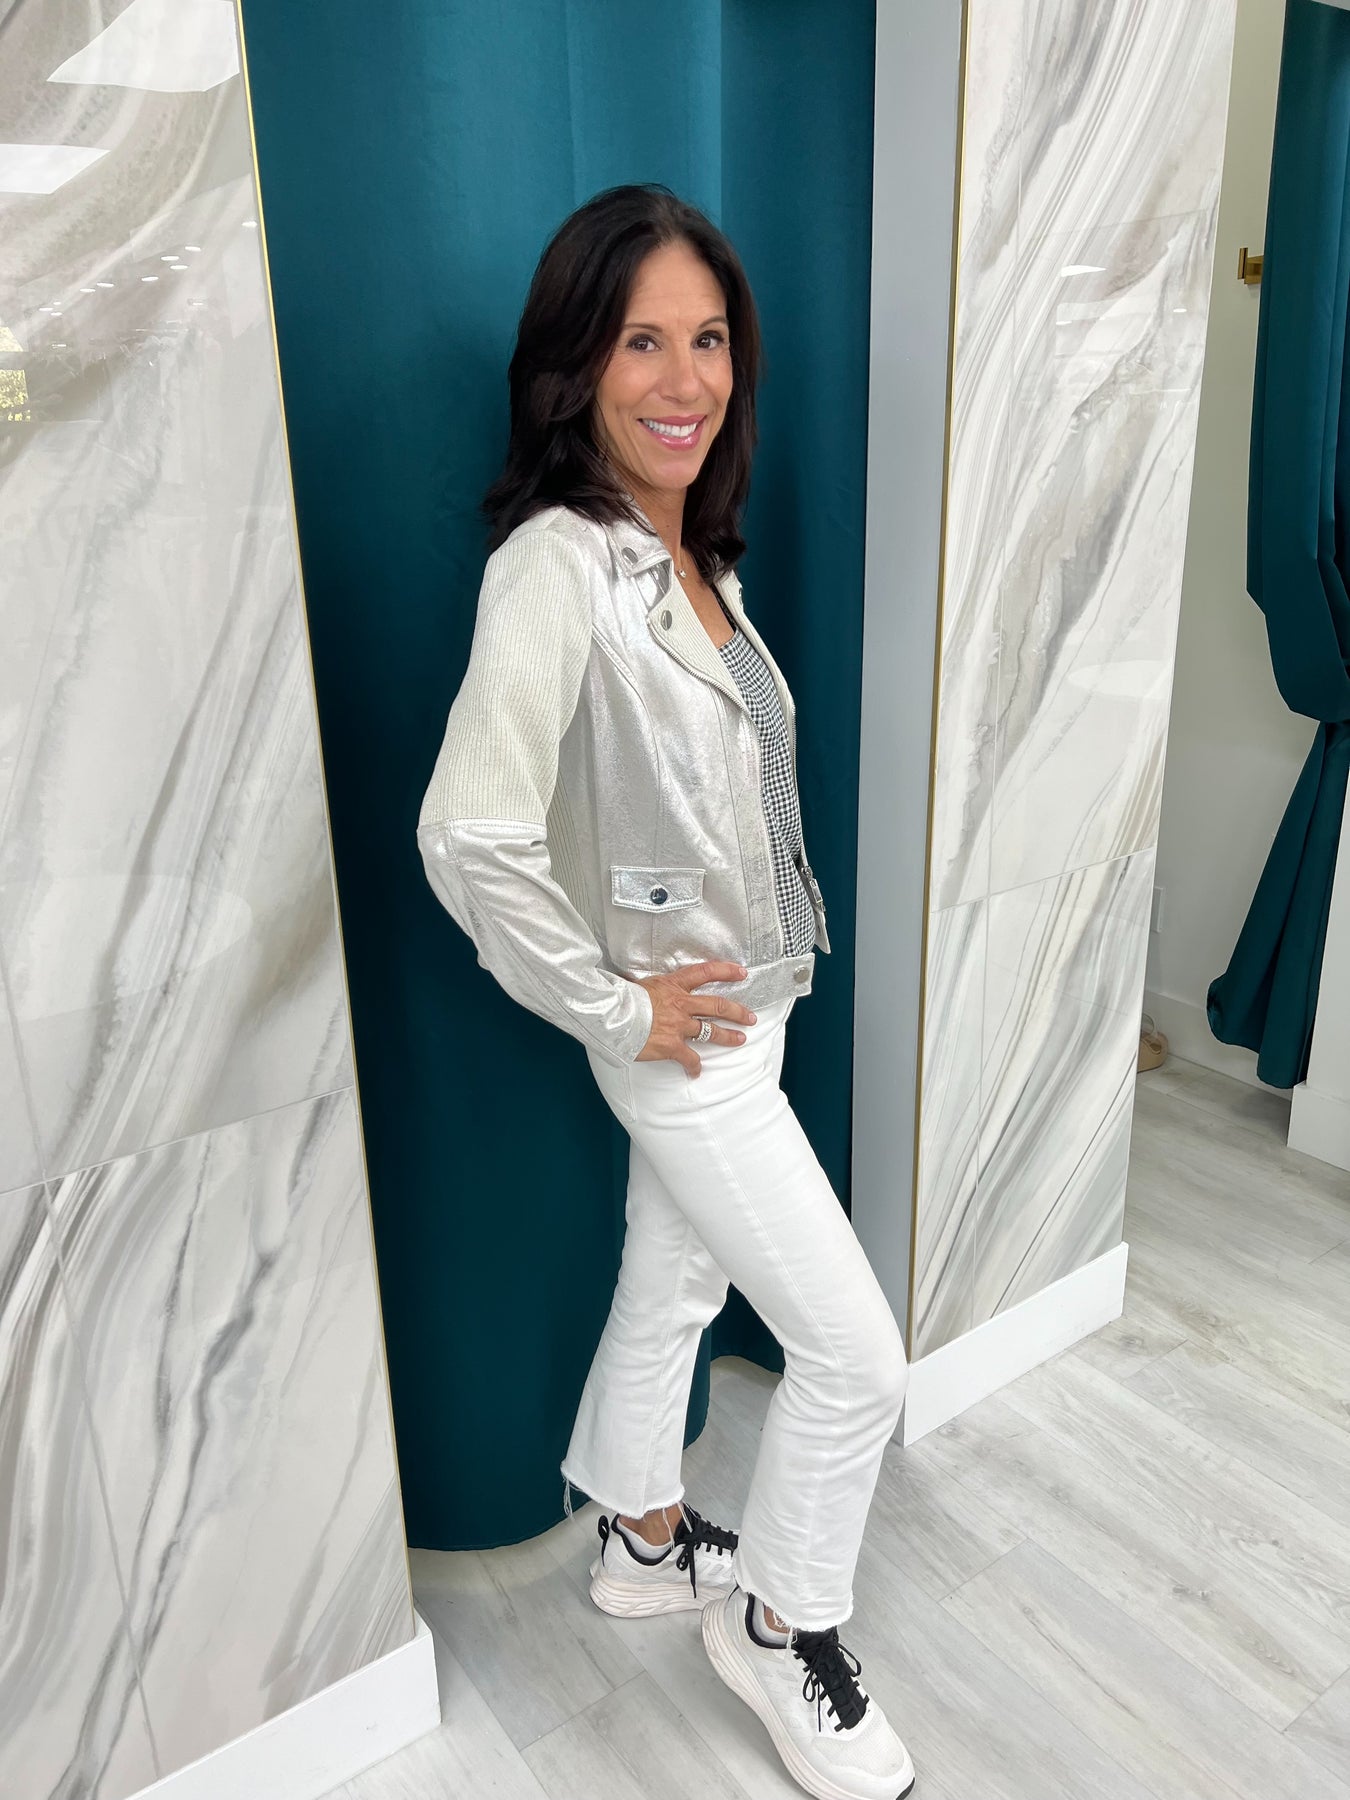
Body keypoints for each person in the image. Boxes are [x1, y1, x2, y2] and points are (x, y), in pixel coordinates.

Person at [417, 183, 914, 1800]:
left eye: (708, 340)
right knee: (854, 1359)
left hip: (747, 1012)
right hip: (682, 1042)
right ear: (575, 366)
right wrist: (617, 1006)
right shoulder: (557, 567)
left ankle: (640, 1544)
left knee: (672, 1285)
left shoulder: (692, 557)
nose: (684, 378)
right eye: (642, 341)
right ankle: (779, 1623)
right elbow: (468, 834)